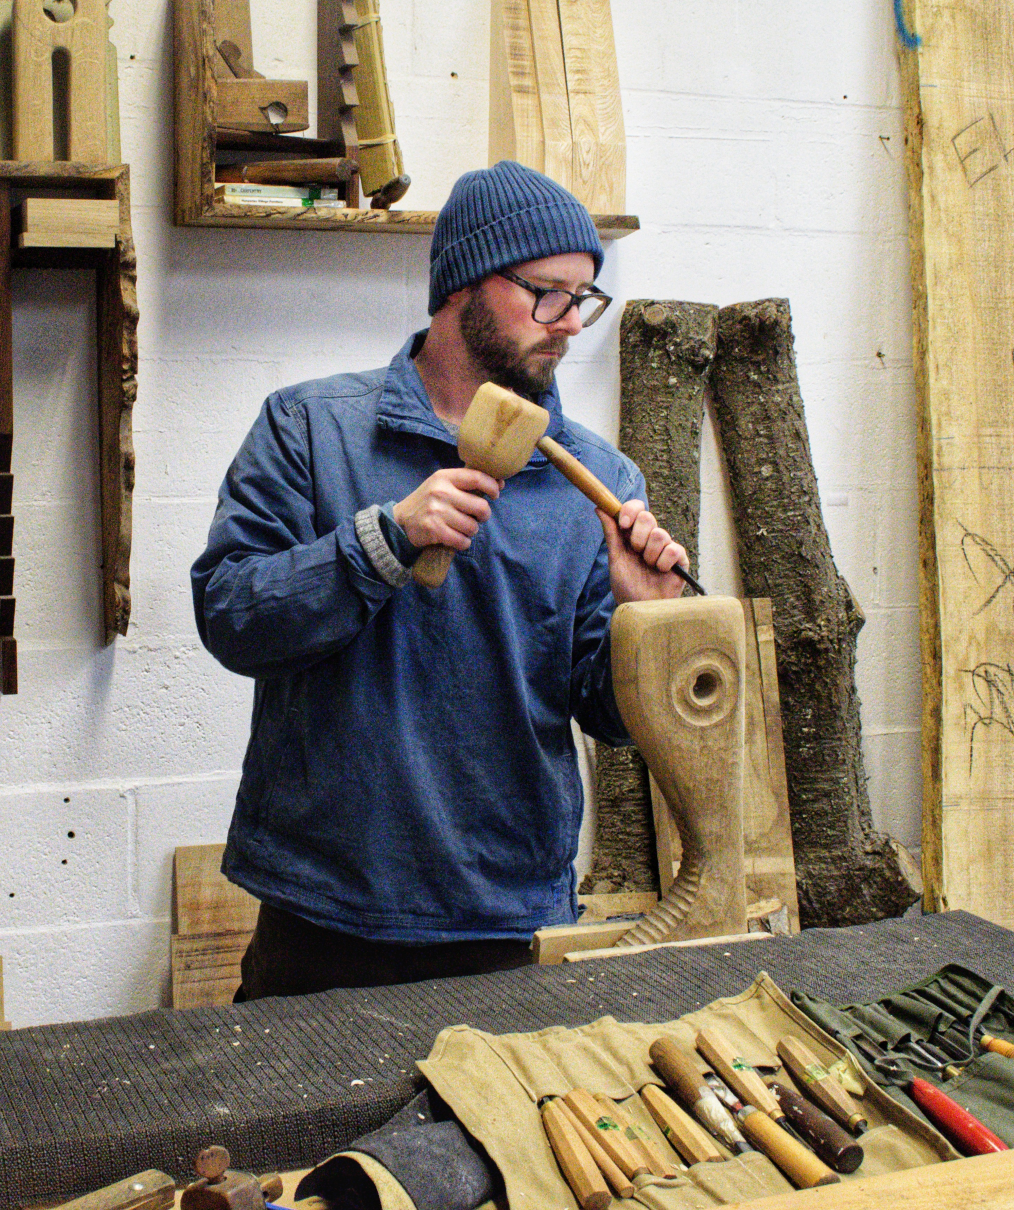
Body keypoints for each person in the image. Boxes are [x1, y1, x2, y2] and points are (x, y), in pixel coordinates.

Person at [191, 160, 690, 999]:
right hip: (320, 909)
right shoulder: (312, 430)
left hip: (501, 914)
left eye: (584, 298)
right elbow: (230, 615)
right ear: (463, 284)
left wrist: (647, 630)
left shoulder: (599, 481)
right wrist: (384, 539)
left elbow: (609, 717)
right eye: (548, 293)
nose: (570, 324)